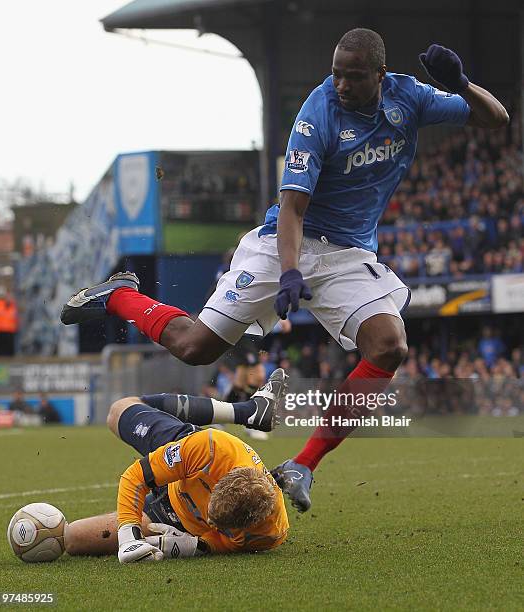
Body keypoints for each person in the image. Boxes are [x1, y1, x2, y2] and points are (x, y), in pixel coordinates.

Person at [61, 29, 508, 512]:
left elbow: (496, 119)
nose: (340, 84)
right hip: (283, 244)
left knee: (390, 346)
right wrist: (291, 272)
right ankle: (120, 295)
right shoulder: (318, 114)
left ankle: (301, 465)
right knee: (195, 348)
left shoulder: (409, 97)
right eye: (336, 73)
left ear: (379, 75)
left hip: (348, 255)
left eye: (352, 77)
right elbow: (292, 208)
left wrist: (461, 84)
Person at [64, 369, 289, 562]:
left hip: (177, 523)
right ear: (219, 481)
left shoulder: (268, 534)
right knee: (118, 410)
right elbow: (135, 476)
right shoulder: (209, 450)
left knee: (74, 538)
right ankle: (247, 411)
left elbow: (220, 544)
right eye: (210, 512)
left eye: (217, 524)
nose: (210, 521)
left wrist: (187, 545)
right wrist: (128, 537)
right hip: (183, 461)